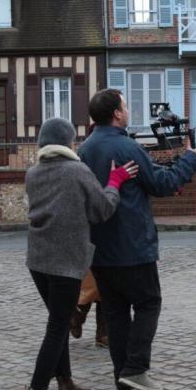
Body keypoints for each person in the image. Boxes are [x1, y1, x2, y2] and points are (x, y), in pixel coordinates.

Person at [78, 88, 196, 390]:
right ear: (117, 114)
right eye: (125, 105)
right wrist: (190, 159)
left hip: (100, 247)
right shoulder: (126, 147)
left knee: (116, 311)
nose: (128, 110)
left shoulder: (85, 149)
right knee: (149, 303)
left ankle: (123, 375)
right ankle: (135, 367)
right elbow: (161, 184)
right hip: (131, 244)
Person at [24, 117, 138, 390]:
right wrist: (115, 182)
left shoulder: (33, 173)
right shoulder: (76, 170)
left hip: (38, 260)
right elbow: (102, 209)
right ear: (68, 142)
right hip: (65, 261)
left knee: (57, 321)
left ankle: (66, 385)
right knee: (57, 327)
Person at [70, 121, 108, 348]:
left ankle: (101, 332)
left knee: (105, 285)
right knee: (92, 282)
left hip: (107, 225)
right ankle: (77, 316)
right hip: (90, 228)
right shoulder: (82, 163)